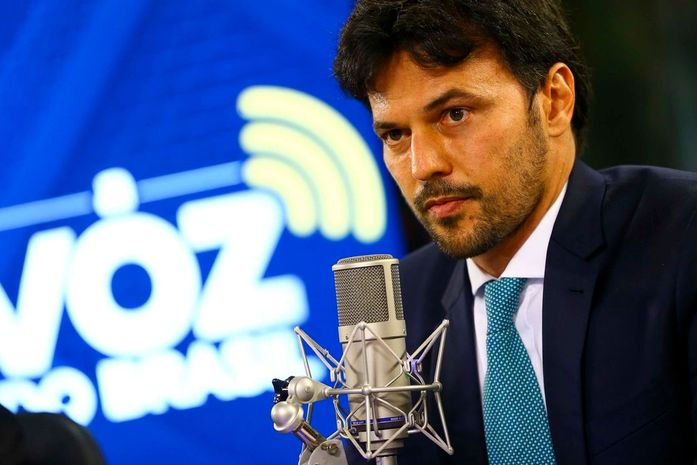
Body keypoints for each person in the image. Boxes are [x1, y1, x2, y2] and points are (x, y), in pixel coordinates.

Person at [333, 1, 697, 464]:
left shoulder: (682, 236)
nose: (423, 166)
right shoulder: (393, 308)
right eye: (395, 135)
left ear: (554, 100)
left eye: (455, 114)